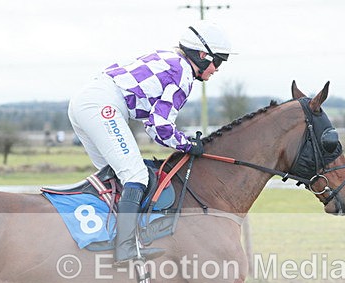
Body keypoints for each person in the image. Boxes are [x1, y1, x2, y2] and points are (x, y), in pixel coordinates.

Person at [68, 21, 233, 264]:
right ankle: (124, 248)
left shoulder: (170, 59)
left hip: (89, 101)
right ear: (201, 55)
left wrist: (181, 141)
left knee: (114, 176)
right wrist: (188, 144)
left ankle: (106, 236)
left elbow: (153, 126)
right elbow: (161, 128)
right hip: (102, 104)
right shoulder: (183, 73)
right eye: (217, 61)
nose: (216, 69)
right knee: (135, 175)